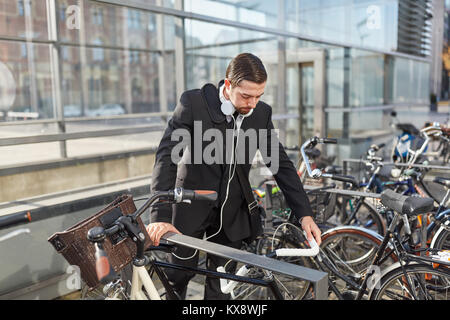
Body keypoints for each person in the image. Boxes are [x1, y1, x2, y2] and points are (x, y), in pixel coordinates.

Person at [146, 53, 321, 299]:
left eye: (259, 96)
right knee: (177, 277)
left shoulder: (261, 114)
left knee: (222, 287)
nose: (252, 104)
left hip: (231, 215)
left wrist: (305, 214)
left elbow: (280, 164)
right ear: (228, 86)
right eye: (246, 96)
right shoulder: (193, 103)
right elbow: (167, 157)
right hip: (188, 208)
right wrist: (160, 216)